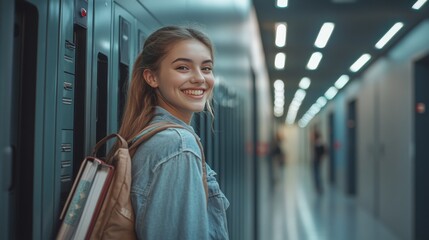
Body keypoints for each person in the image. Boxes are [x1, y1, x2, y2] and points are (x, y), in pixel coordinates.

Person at [117, 26, 230, 239]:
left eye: (206, 68)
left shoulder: (149, 133)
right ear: (152, 78)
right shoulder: (179, 146)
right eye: (183, 68)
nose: (199, 78)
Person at [312, 130, 326, 195]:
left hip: (317, 161)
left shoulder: (318, 143)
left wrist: (320, 158)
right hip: (316, 160)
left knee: (317, 175)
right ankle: (318, 187)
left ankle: (319, 188)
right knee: (317, 174)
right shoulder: (316, 142)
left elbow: (322, 152)